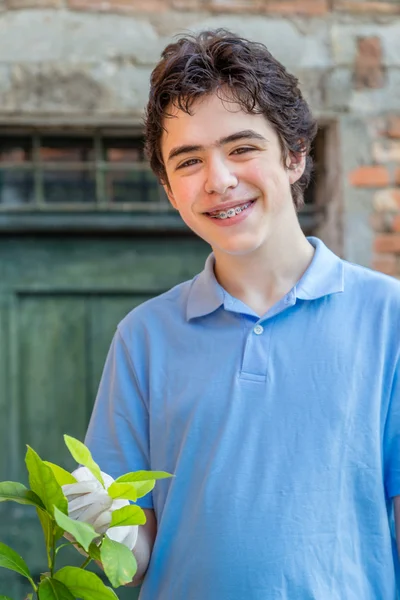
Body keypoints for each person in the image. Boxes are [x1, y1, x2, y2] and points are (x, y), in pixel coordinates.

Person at [62, 29, 400, 599]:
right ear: (170, 189)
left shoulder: (388, 318)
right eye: (188, 160)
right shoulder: (143, 338)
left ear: (294, 155)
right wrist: (105, 528)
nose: (218, 180)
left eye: (242, 148)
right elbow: (132, 564)